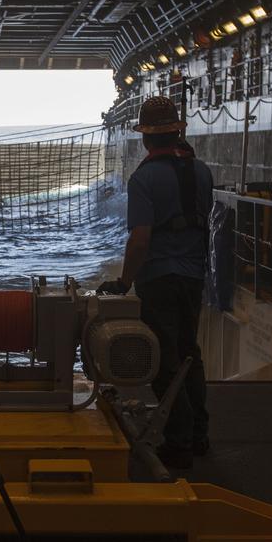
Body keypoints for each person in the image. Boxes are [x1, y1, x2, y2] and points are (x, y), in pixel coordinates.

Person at [97, 96, 212, 470]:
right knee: (189, 355)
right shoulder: (203, 172)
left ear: (146, 140)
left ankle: (177, 444)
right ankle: (199, 435)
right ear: (178, 130)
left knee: (165, 360)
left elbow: (141, 238)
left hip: (159, 278)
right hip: (194, 275)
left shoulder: (144, 178)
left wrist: (124, 281)